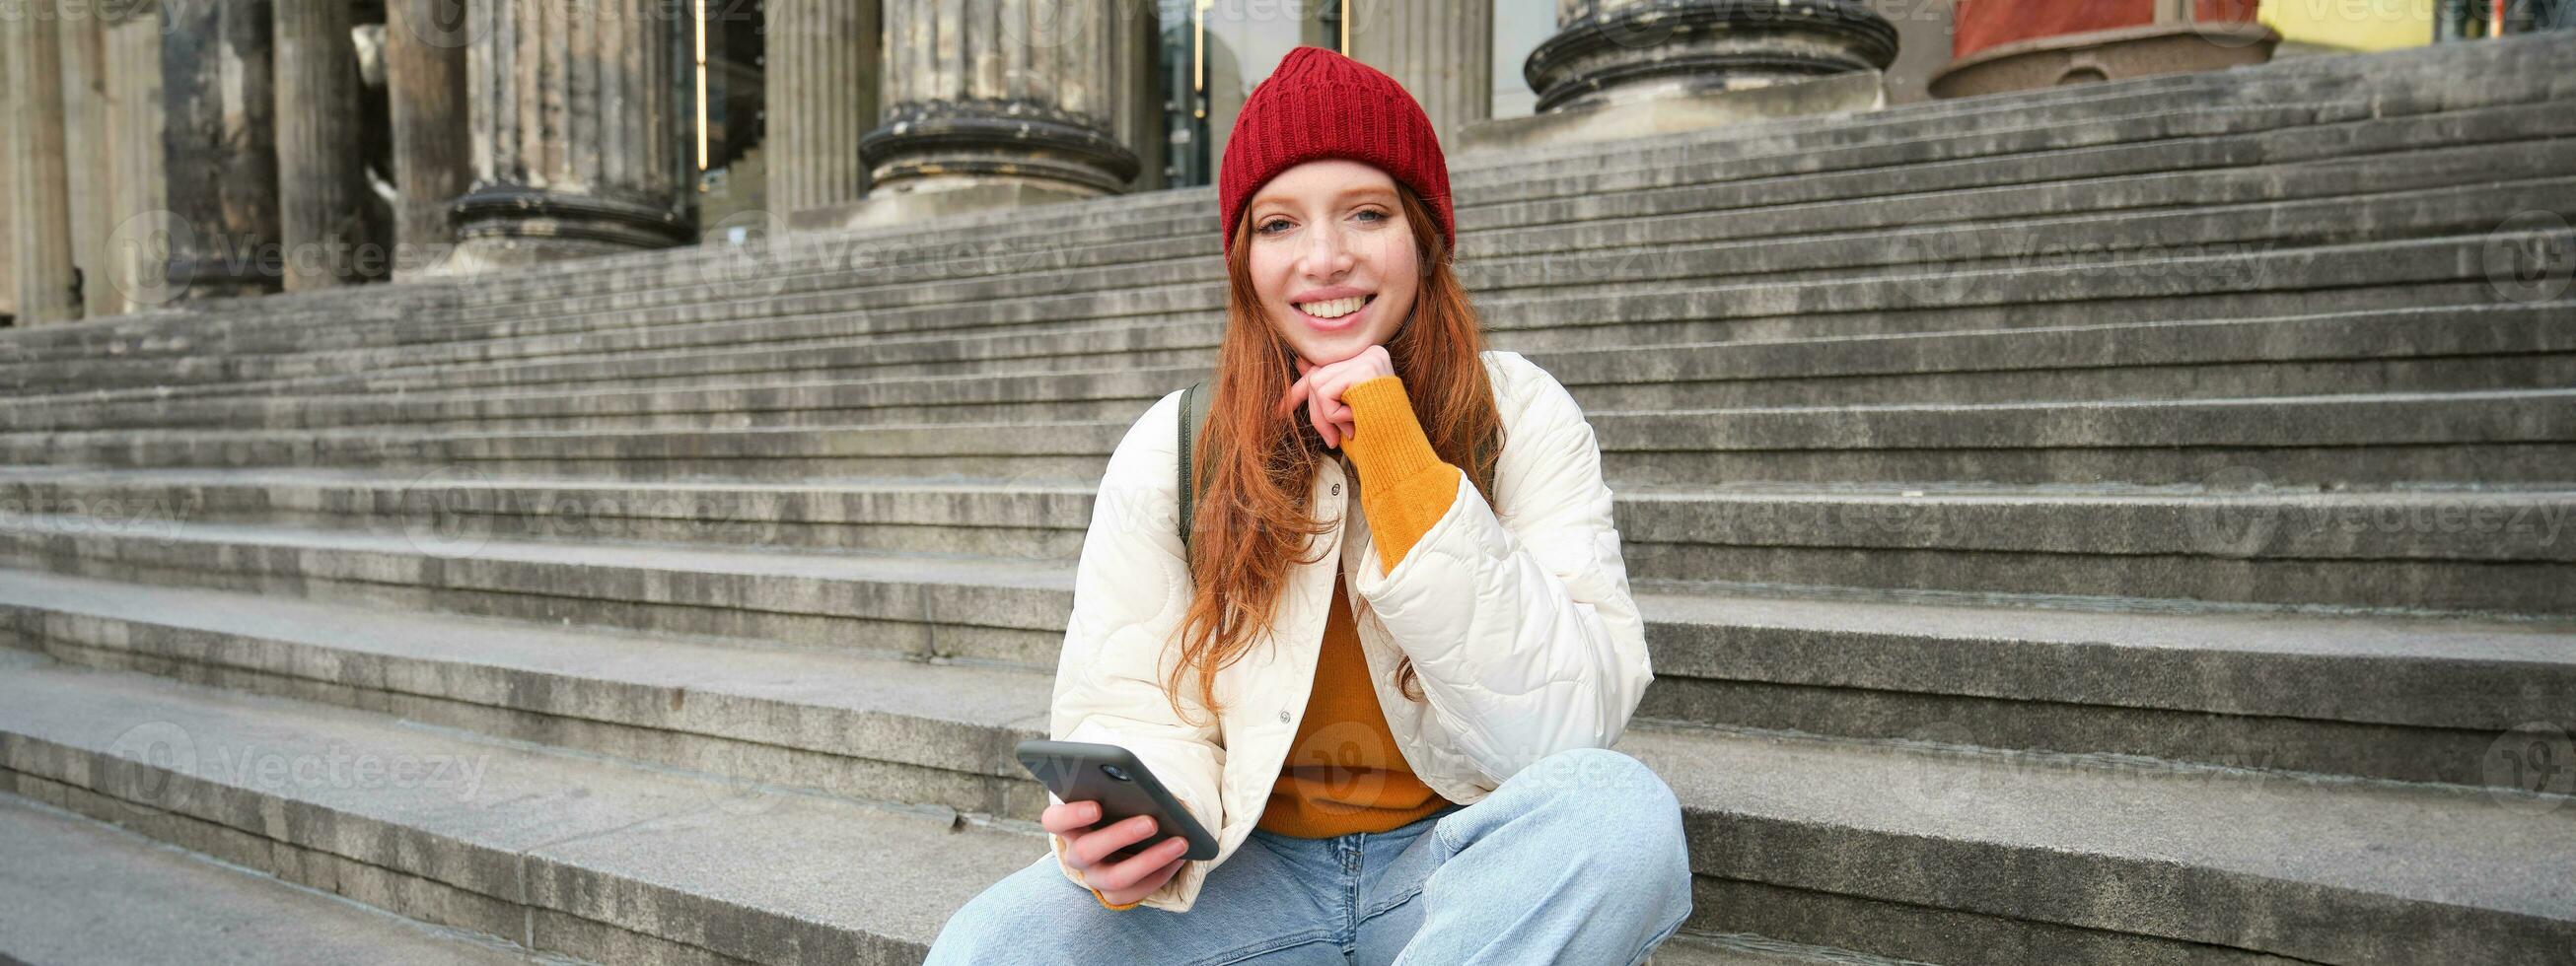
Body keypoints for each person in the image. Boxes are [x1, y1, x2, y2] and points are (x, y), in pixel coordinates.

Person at [926, 45, 1691, 966]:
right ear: (1245, 258)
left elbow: (1563, 727)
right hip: (1251, 882)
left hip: (1454, 878)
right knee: (990, 946)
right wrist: (1131, 829)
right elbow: (1127, 702)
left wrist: (1395, 444)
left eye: (1366, 214)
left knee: (1619, 816)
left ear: (1423, 235)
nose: (1324, 260)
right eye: (1280, 224)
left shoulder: (1520, 413)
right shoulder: (1175, 445)